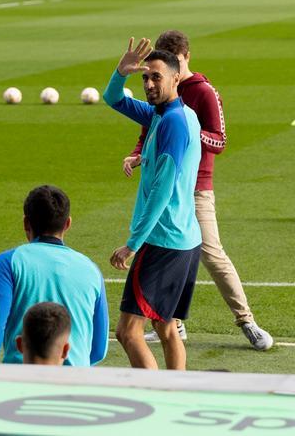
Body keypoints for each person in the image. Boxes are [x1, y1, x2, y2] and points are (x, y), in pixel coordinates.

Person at [123, 30, 274, 351]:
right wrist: (140, 152)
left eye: (172, 64)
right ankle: (172, 323)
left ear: (185, 59)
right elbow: (149, 128)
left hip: (197, 187)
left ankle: (246, 320)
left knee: (211, 253)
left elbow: (219, 141)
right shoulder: (158, 88)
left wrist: (186, 130)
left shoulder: (203, 93)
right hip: (166, 179)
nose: (159, 75)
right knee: (164, 252)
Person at [103, 38, 203, 370]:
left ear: (176, 79)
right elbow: (113, 99)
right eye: (145, 78)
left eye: (156, 77)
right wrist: (121, 71)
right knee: (165, 326)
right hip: (187, 240)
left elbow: (163, 190)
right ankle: (177, 396)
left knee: (128, 331)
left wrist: (133, 244)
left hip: (163, 242)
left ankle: (154, 397)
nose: (148, 84)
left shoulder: (172, 121)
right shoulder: (171, 114)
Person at [0, 185, 109, 367]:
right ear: (67, 223)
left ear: (26, 223)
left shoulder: (8, 262)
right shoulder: (92, 269)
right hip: (76, 382)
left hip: (20, 379)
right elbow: (99, 349)